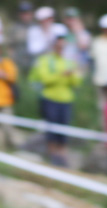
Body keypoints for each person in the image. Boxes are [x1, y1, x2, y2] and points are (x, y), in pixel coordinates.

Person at [28, 25, 81, 166]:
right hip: (50, 98)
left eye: (63, 41)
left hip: (66, 99)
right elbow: (45, 79)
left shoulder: (70, 60)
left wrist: (71, 75)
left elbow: (76, 81)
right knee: (51, 131)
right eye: (58, 40)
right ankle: (52, 158)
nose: (61, 44)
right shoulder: (45, 60)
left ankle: (63, 159)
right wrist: (62, 75)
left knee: (64, 132)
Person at [7, 1, 34, 73]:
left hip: (34, 63)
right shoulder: (14, 28)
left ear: (31, 14)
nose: (25, 16)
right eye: (23, 13)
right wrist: (12, 60)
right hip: (19, 62)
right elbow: (10, 46)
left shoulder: (36, 27)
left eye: (27, 13)